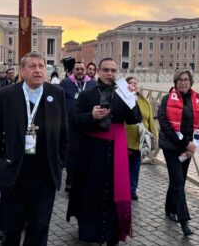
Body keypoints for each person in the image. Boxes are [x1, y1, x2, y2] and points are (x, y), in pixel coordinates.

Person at [0, 52, 68, 246]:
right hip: (15, 174)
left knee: (40, 227)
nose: (38, 70)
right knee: (12, 228)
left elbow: (64, 134)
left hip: (45, 175)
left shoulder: (56, 94)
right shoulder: (6, 95)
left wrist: (59, 163)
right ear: (22, 71)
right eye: (32, 66)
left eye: (41, 66)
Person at [67, 58, 141, 245]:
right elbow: (75, 120)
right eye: (106, 70)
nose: (110, 74)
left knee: (114, 191)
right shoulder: (87, 94)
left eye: (113, 71)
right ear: (98, 71)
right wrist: (91, 116)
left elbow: (134, 119)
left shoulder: (123, 93)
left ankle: (112, 233)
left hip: (117, 149)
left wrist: (133, 98)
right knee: (92, 190)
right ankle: (90, 231)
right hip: (92, 150)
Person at [158, 69, 199, 236]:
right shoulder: (166, 99)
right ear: (175, 82)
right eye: (180, 80)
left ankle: (169, 208)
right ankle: (184, 220)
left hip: (188, 149)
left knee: (179, 180)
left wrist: (194, 144)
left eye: (186, 80)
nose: (183, 82)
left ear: (191, 82)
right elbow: (165, 125)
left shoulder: (198, 99)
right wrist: (185, 143)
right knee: (178, 180)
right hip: (171, 147)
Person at [59, 61, 96, 192]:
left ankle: (84, 180)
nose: (80, 71)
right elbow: (59, 102)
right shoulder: (65, 83)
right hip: (71, 125)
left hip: (88, 124)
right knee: (71, 154)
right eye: (77, 69)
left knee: (86, 153)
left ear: (85, 70)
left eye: (82, 69)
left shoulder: (92, 84)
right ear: (73, 71)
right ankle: (70, 181)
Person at [124, 76, 157, 201]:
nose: (133, 85)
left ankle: (132, 189)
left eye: (135, 83)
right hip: (127, 138)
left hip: (141, 139)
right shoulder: (123, 100)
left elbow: (150, 120)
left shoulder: (144, 100)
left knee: (136, 166)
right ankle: (124, 188)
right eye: (131, 83)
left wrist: (154, 135)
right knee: (125, 166)